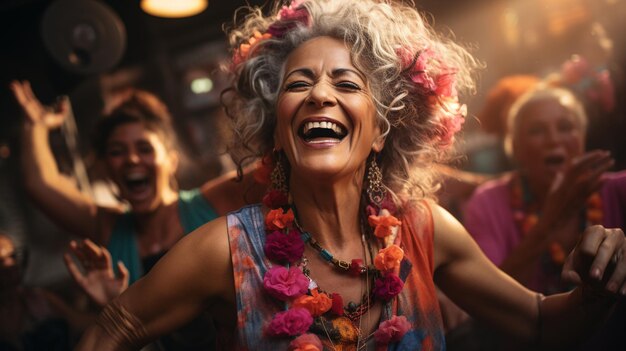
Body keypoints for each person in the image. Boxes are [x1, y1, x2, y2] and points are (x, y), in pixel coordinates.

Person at [77, 1, 626, 350]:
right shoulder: (226, 251)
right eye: (299, 84)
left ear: (382, 129)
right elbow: (115, 328)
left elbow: (537, 324)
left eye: (345, 83)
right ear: (277, 131)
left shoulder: (423, 229)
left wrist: (597, 292)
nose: (320, 93)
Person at [10, 83, 265, 349]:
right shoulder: (109, 228)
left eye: (144, 148)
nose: (131, 160)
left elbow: (276, 165)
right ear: (108, 171)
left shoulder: (214, 201)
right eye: (116, 152)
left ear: (171, 160)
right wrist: (35, 127)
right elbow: (39, 184)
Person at [462, 85, 626, 350]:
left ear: (582, 137)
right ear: (515, 147)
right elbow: (488, 306)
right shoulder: (489, 202)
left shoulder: (618, 191)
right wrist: (550, 222)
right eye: (536, 130)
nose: (553, 139)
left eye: (565, 127)